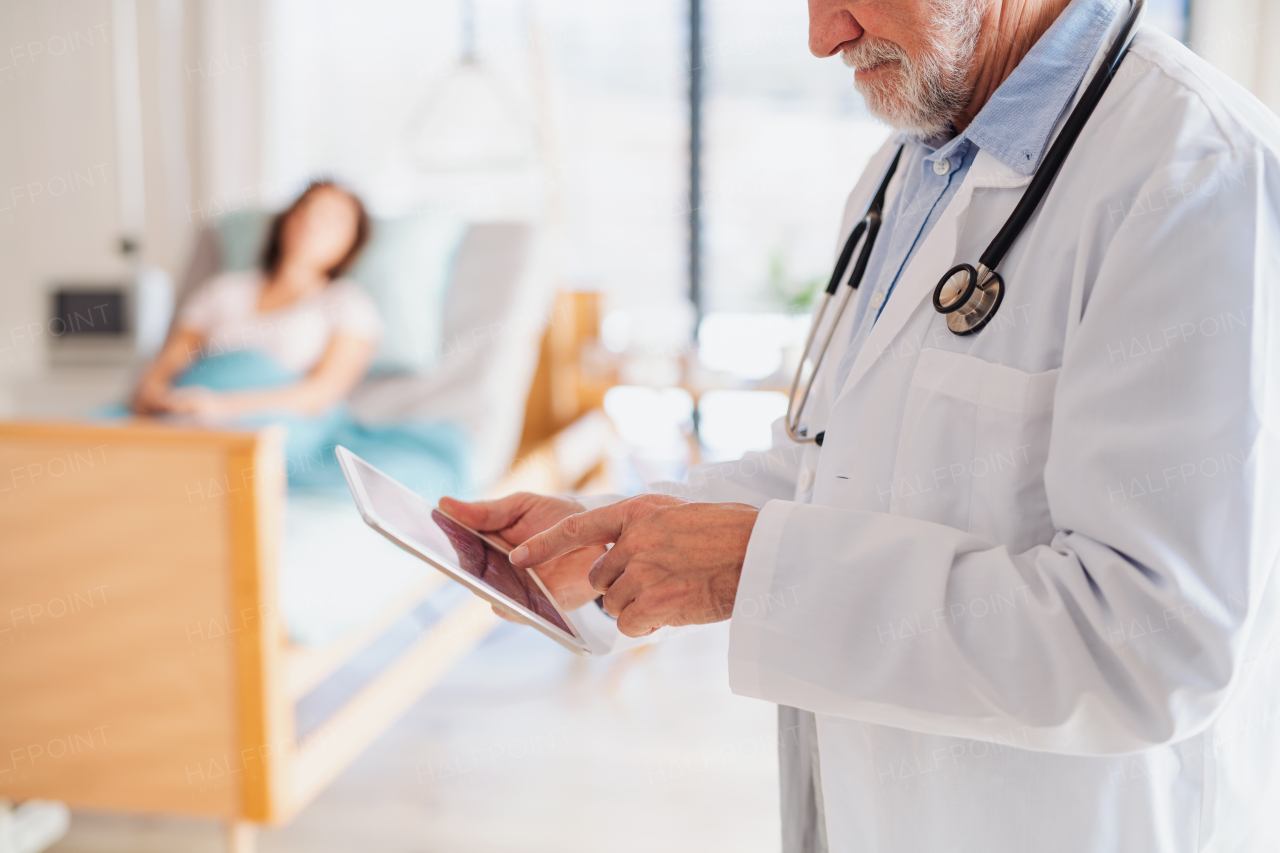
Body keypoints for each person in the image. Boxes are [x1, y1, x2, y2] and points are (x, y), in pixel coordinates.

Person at [445, 0, 1280, 849]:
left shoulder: (1197, 170)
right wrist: (607, 534)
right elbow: (828, 462)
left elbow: (1155, 645)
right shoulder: (909, 166)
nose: (822, 36)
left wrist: (753, 570)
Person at [131, 180, 379, 420]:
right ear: (286, 220)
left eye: (334, 219)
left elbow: (320, 394)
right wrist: (153, 391)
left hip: (280, 420)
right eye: (306, 209)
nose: (312, 222)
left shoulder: (349, 304)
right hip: (186, 407)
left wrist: (223, 408)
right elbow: (172, 357)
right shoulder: (223, 289)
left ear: (352, 242)